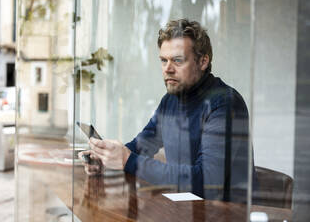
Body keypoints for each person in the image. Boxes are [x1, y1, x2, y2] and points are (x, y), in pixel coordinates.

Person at [79, 19, 252, 202]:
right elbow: (141, 145)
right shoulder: (170, 100)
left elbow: (206, 180)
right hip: (186, 209)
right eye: (163, 60)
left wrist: (127, 160)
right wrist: (105, 159)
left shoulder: (224, 103)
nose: (167, 69)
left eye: (177, 60)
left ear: (203, 61)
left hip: (225, 215)